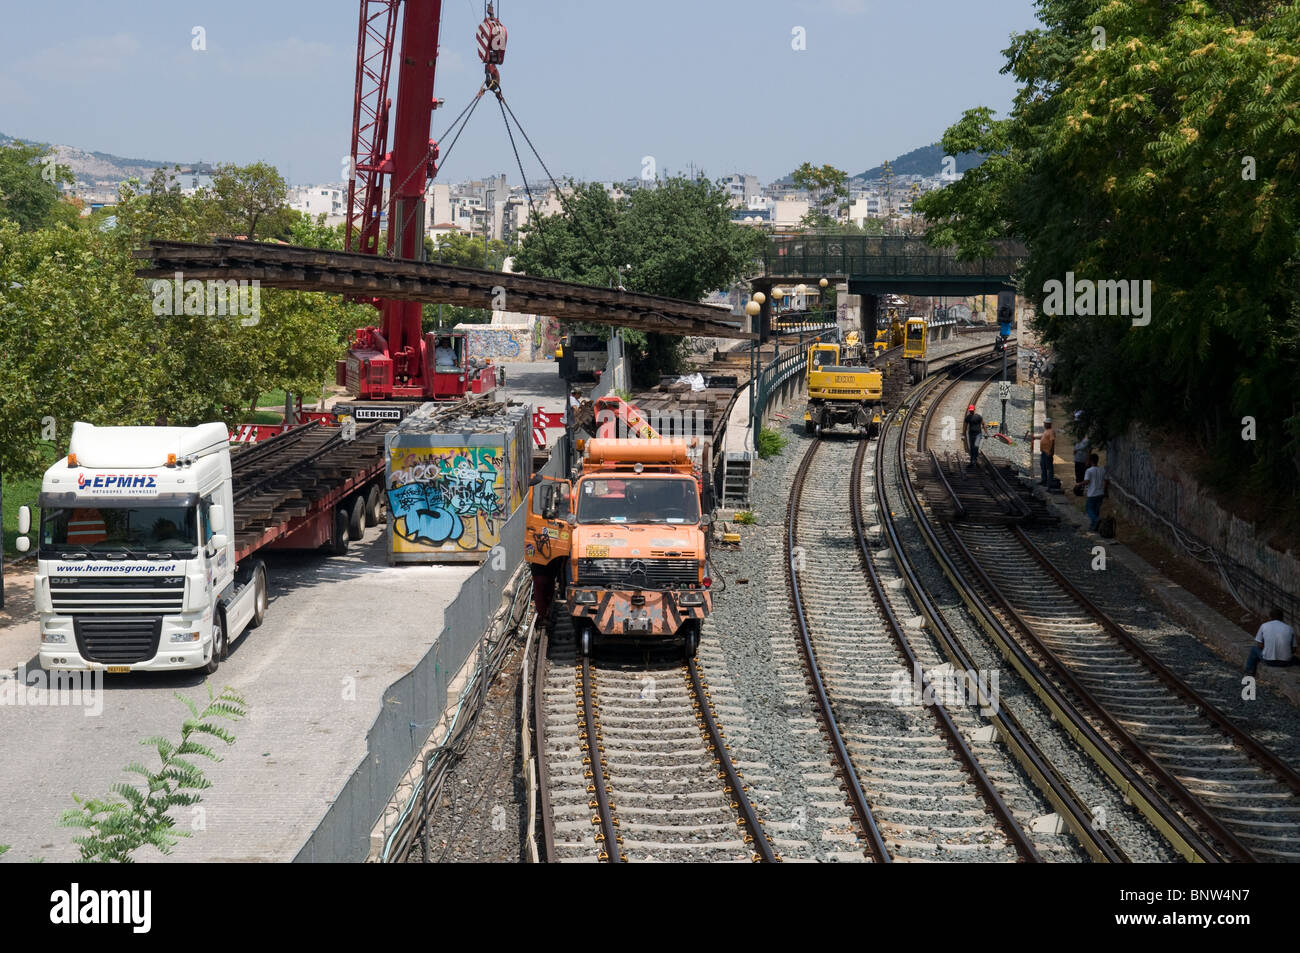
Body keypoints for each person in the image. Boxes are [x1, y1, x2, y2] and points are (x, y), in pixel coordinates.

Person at [1246, 607, 1297, 676]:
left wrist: (1268, 649)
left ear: (1270, 617)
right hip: (1285, 662)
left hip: (1269, 661)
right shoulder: (1290, 628)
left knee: (1254, 649)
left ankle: (1250, 671)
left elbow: (1259, 645)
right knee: (1295, 659)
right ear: (1282, 618)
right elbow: (1294, 650)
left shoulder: (1264, 626)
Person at [1075, 452, 1107, 532]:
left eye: (1088, 460)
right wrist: (1105, 491)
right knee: (1096, 510)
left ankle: (1096, 520)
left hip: (1092, 493)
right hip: (1100, 493)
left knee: (1088, 509)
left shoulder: (1089, 471)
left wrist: (1078, 484)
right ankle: (1094, 527)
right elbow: (1106, 481)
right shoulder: (1102, 469)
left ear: (1091, 461)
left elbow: (1087, 481)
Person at [964, 403, 985, 468]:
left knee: (975, 447)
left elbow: (983, 424)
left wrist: (986, 433)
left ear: (974, 410)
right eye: (970, 410)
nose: (971, 411)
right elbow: (965, 426)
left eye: (972, 410)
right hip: (973, 434)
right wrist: (964, 433)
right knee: (973, 448)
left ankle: (974, 461)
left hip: (977, 434)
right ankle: (973, 461)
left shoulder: (977, 417)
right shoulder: (969, 417)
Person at [1040, 419, 1057, 486]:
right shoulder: (1046, 431)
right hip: (1044, 452)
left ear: (1049, 424)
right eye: (1044, 423)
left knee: (1049, 468)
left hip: (1048, 452)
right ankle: (1044, 480)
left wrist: (1051, 451)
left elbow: (1052, 442)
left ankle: (1049, 482)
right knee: (1043, 466)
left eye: (1046, 423)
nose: (1045, 424)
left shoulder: (1051, 431)